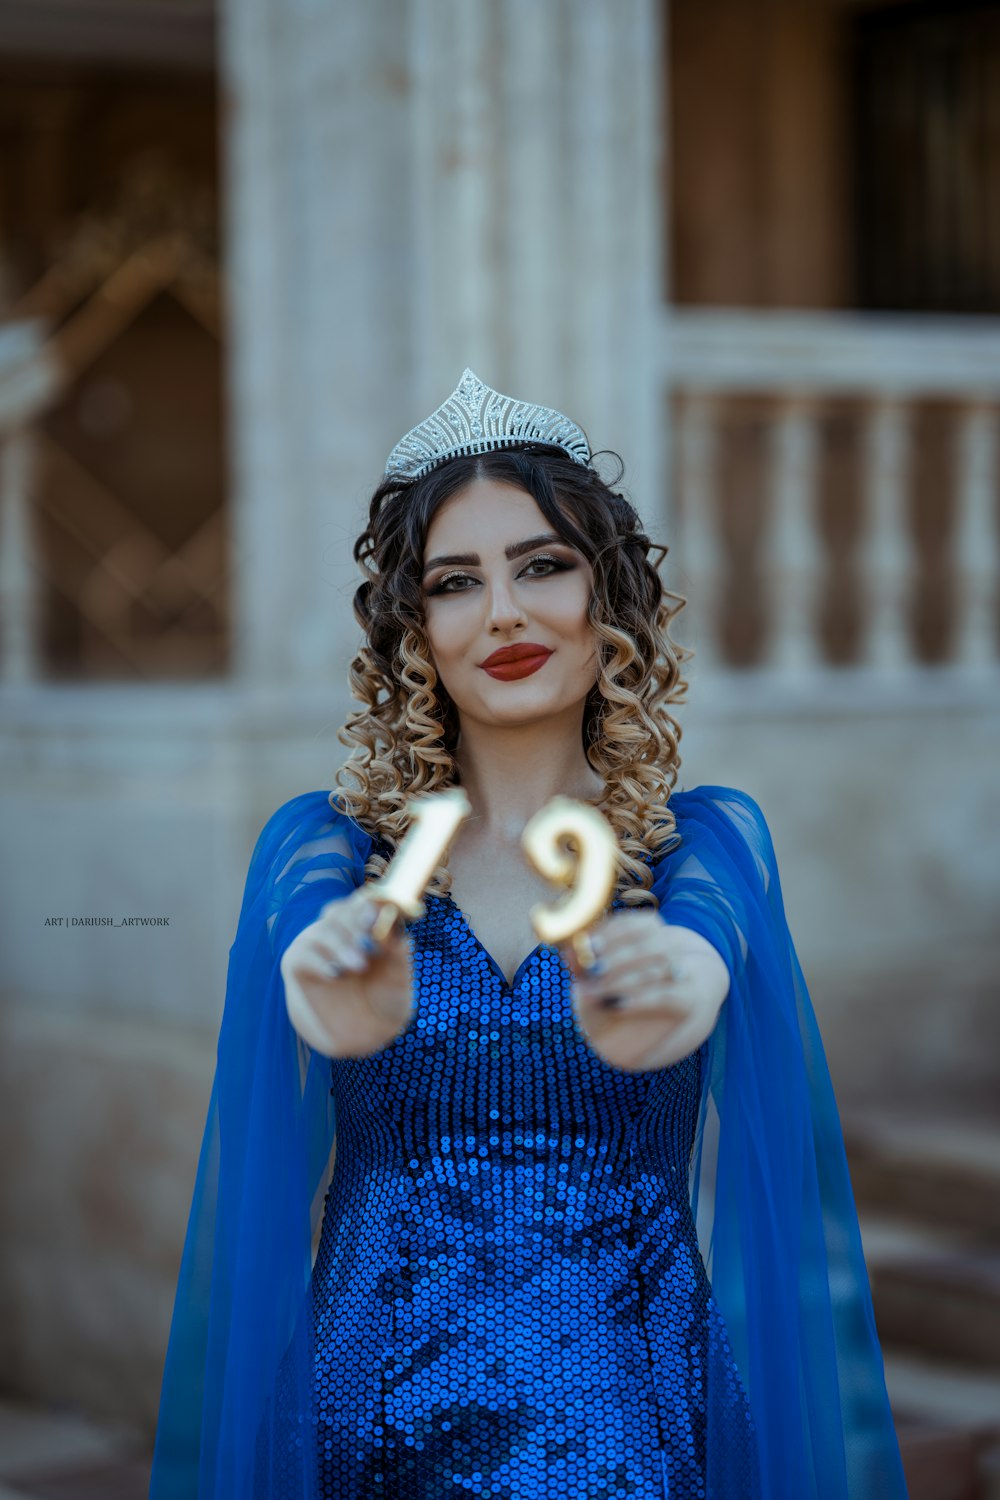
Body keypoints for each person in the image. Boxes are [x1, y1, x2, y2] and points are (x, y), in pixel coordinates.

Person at [149, 369, 910, 1499]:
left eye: (541, 565)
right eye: (457, 583)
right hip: (372, 1435)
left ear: (609, 601)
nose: (502, 611)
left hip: (634, 1441)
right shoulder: (334, 855)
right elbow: (314, 956)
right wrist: (325, 991)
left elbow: (700, 956)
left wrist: (676, 985)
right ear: (418, 633)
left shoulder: (697, 849)